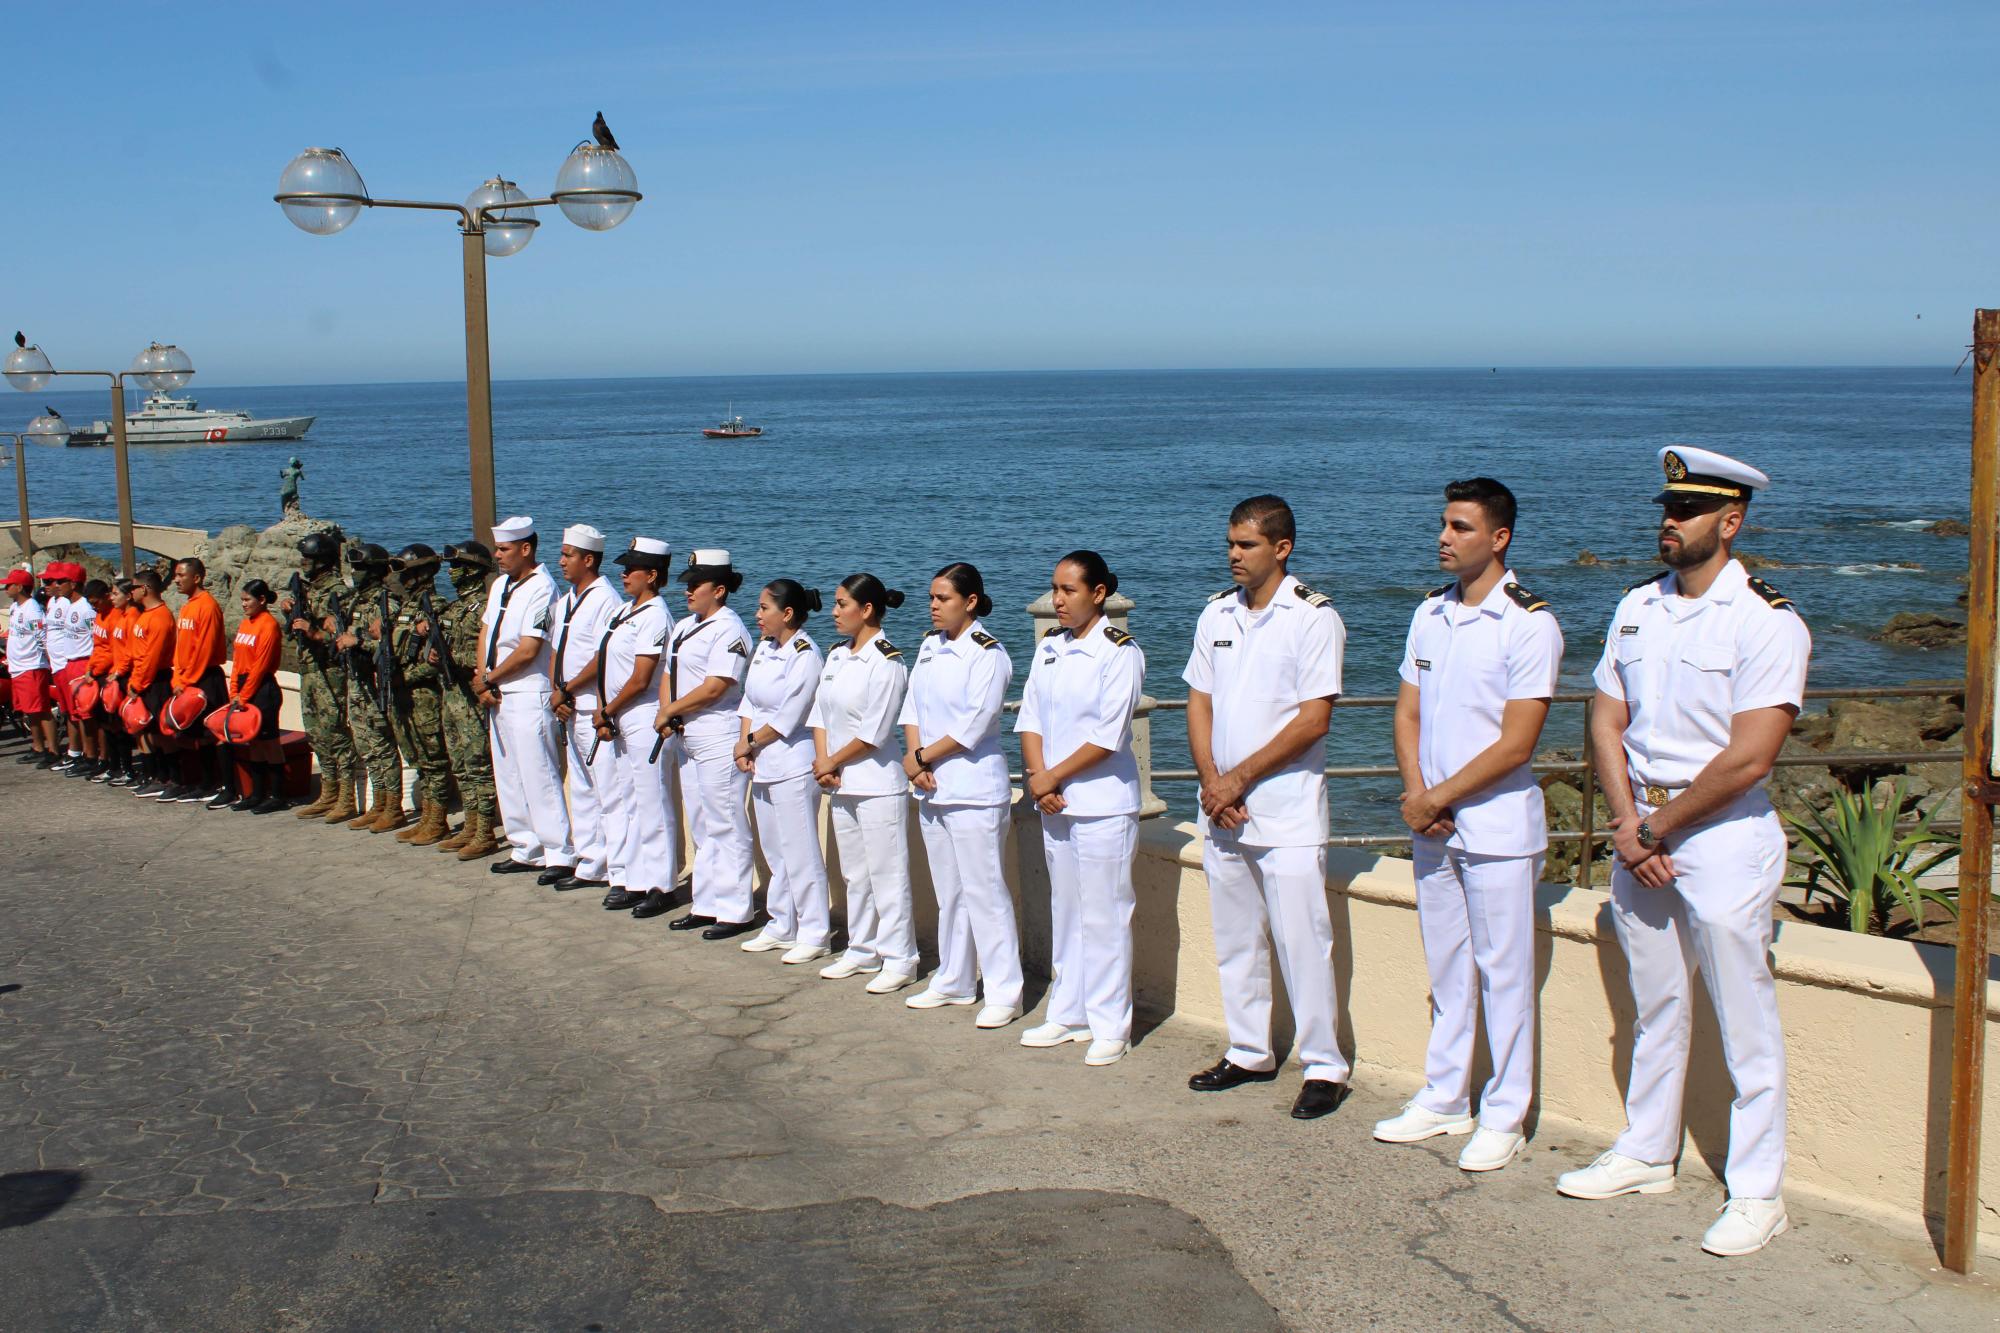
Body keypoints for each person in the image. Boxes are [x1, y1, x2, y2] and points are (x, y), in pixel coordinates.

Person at [1559, 446, 1811, 1259]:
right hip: (1646, 836)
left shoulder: (1767, 620)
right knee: (1656, 1005)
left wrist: (1655, 830)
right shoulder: (1636, 608)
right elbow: (1605, 720)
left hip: (1724, 837)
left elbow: (1750, 756)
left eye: (1687, 511)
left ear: (1730, 521)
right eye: (1667, 508)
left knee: (1745, 1020)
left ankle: (1758, 1190)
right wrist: (1633, 826)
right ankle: (1645, 1151)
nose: (1668, 522)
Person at [1376, 479, 1563, 1171]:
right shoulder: (1430, 614)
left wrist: (1439, 796)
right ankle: (1446, 1094)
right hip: (1436, 824)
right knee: (1448, 965)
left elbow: (1518, 743)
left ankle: (1506, 1112)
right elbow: (1407, 713)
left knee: (1504, 972)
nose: (1443, 537)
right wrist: (1418, 793)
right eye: (1444, 524)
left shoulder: (1529, 623)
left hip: (1496, 827)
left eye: (1459, 526)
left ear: (1499, 538)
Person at [1182, 495, 1350, 1120]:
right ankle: (1249, 1049)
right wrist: (1212, 781)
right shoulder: (1216, 613)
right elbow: (1200, 699)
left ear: (1281, 549)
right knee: (1235, 940)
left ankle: (1324, 1065)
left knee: (1303, 941)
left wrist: (1239, 780)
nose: (1233, 555)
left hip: (1285, 810)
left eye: (1246, 545)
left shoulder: (1313, 619)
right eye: (1230, 543)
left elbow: (1313, 720)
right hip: (1223, 807)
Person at [1016, 551, 1147, 1067]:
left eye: (1069, 590)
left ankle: (1111, 1023)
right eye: (1055, 588)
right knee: (1066, 910)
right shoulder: (1050, 648)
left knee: (1106, 914)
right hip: (1056, 802)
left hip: (1101, 804)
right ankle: (1068, 1012)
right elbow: (1030, 718)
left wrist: (1052, 776)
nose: (1058, 599)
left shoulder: (1120, 651)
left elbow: (1109, 735)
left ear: (1098, 594)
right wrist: (1037, 778)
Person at [899, 561, 1024, 1030]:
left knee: (985, 891)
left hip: (973, 787)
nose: (933, 606)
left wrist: (923, 757)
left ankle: (1004, 990)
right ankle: (954, 980)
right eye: (931, 597)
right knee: (949, 891)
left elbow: (975, 722)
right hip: (932, 788)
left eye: (943, 598)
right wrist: (915, 755)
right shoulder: (929, 647)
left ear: (970, 602)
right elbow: (912, 705)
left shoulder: (988, 654)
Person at [809, 574, 918, 993]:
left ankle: (899, 957)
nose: (834, 612)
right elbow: (821, 714)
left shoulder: (888, 661)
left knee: (888, 874)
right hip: (841, 781)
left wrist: (831, 760)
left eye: (842, 604)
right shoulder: (837, 656)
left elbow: (875, 731)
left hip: (876, 782)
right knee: (855, 873)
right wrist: (824, 761)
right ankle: (862, 948)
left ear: (867, 610)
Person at [653, 549, 757, 940]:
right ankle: (708, 902)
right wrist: (668, 712)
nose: (688, 591)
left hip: (717, 734)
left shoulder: (729, 629)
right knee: (701, 823)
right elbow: (669, 672)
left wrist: (670, 711)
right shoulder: (683, 627)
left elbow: (717, 686)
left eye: (695, 585)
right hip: (687, 734)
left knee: (726, 822)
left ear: (719, 589)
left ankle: (735, 910)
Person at [736, 579, 831, 963]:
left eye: (764, 608)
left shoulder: (806, 655)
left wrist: (750, 742)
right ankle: (781, 924)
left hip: (792, 762)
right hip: (763, 762)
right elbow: (750, 700)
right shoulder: (764, 648)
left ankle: (815, 931)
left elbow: (788, 717)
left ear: (787, 613)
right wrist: (745, 743)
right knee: (775, 851)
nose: (757, 615)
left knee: (801, 851)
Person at [476, 516, 573, 876]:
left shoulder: (541, 588)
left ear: (526, 549)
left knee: (538, 775)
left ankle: (558, 851)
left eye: (504, 549)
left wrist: (490, 678)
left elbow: (530, 648)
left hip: (528, 690)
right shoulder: (501, 585)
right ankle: (525, 846)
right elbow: (487, 631)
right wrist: (482, 676)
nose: (498, 556)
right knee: (509, 774)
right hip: (500, 690)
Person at [596, 538, 676, 914]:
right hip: (621, 716)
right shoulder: (627, 611)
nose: (624, 573)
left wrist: (608, 708)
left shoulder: (655, 616)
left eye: (632, 569)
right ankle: (635, 878)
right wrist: (607, 710)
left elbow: (641, 677)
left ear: (653, 575)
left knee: (652, 803)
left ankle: (661, 884)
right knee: (629, 800)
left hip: (642, 716)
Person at [548, 524, 620, 888]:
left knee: (604, 786)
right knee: (580, 786)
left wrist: (568, 689)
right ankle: (588, 857)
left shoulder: (604, 599)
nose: (561, 562)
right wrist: (556, 691)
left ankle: (607, 863)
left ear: (588, 559)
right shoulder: (567, 600)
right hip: (569, 704)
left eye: (569, 555)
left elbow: (601, 657)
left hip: (591, 703)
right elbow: (556, 649)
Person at [282, 528, 359, 823]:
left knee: (336, 732)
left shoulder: (336, 591)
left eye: (308, 558)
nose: (304, 563)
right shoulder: (309, 589)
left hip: (329, 670)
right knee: (316, 732)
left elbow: (340, 633)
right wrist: (290, 612)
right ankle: (328, 792)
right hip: (310, 669)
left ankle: (346, 797)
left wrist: (314, 631)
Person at [434, 542, 504, 860]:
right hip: (452, 695)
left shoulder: (482, 609)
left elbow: (488, 655)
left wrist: (453, 656)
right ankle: (470, 824)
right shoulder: (454, 608)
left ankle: (484, 830)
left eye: (457, 565)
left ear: (473, 569)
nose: (451, 571)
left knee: (477, 765)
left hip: (471, 697)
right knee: (460, 765)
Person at [386, 544, 455, 845]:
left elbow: (436, 661)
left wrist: (407, 678)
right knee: (418, 757)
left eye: (408, 572)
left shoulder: (435, 606)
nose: (403, 578)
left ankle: (437, 819)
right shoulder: (406, 608)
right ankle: (427, 815)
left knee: (434, 759)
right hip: (405, 695)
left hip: (425, 695)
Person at [336, 543, 404, 830]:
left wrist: (360, 640)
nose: (356, 573)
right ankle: (378, 802)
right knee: (366, 744)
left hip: (377, 684)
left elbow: (393, 645)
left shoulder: (386, 602)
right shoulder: (355, 601)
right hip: (357, 681)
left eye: (362, 568)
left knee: (382, 744)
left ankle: (392, 806)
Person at [210, 578, 290, 813]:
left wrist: (243, 696)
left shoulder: (268, 625)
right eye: (242, 600)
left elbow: (260, 666)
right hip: (244, 686)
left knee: (269, 742)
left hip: (262, 689)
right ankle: (256, 793)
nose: (243, 604)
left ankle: (277, 794)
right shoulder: (246, 624)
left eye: (248, 600)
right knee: (253, 742)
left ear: (262, 600)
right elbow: (237, 661)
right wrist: (234, 691)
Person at [161, 557, 229, 806]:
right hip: (187, 679)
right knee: (192, 732)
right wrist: (178, 677)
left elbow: (205, 649)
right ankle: (201, 780)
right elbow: (182, 648)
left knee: (210, 732)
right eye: (175, 575)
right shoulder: (188, 606)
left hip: (205, 679)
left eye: (181, 575)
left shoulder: (207, 606)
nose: (176, 580)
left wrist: (188, 680)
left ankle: (216, 782)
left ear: (196, 577)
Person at [125, 570, 177, 797]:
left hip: (155, 681)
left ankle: (171, 778)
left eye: (134, 588)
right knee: (145, 730)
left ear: (145, 589)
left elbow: (152, 658)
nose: (131, 592)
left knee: (161, 732)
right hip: (141, 679)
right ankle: (155, 774)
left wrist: (137, 684)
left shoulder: (160, 616)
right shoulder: (144, 615)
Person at [44, 562, 95, 774]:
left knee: (83, 714)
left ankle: (89, 755)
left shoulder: (85, 607)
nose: (55, 584)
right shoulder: (69, 605)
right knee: (72, 713)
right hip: (66, 664)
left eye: (60, 581)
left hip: (80, 664)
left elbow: (95, 638)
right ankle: (81, 753)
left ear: (73, 583)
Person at [4, 568, 54, 766]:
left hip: (32, 665)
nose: (6, 588)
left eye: (9, 584)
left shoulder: (32, 609)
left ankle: (52, 749)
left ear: (20, 587)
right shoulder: (16, 607)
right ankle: (38, 745)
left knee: (40, 709)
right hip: (19, 666)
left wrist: (49, 662)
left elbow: (42, 637)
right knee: (28, 710)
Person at [102, 579, 141, 786]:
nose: (111, 597)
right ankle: (117, 766)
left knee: (125, 724)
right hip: (117, 674)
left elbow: (131, 651)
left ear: (128, 596)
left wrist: (119, 672)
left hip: (126, 675)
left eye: (116, 594)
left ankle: (129, 769)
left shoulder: (133, 617)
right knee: (113, 723)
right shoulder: (121, 616)